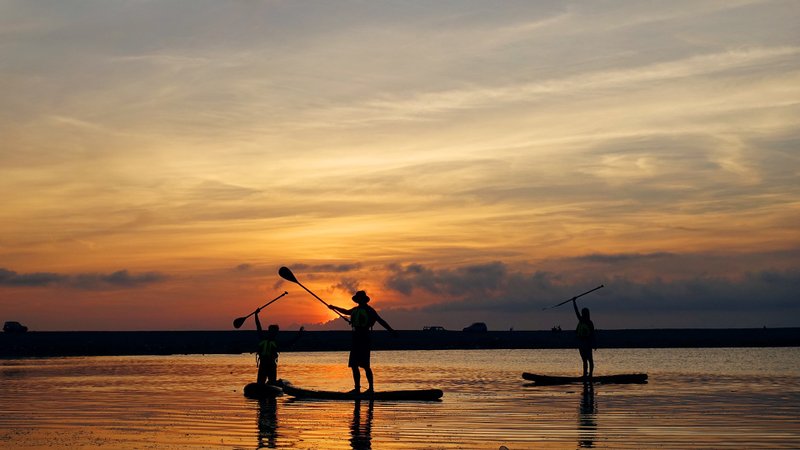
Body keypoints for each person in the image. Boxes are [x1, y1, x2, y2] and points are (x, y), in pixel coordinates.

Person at [328, 290, 395, 393]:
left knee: (365, 365)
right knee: (354, 365)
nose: (359, 301)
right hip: (356, 338)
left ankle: (371, 389)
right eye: (358, 299)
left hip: (364, 338)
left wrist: (391, 330)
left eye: (360, 299)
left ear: (364, 300)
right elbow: (345, 311)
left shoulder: (370, 310)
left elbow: (380, 321)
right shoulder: (355, 309)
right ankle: (357, 388)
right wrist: (334, 307)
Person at [254, 308, 303, 385]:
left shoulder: (276, 343)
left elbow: (290, 343)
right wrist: (256, 315)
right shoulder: (262, 338)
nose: (274, 333)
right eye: (272, 331)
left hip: (271, 366)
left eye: (275, 332)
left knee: (272, 383)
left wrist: (299, 334)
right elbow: (258, 326)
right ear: (269, 331)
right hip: (263, 366)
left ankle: (271, 386)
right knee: (260, 383)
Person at [572, 297, 596, 378]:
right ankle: (585, 374)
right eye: (582, 313)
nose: (582, 314)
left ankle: (590, 375)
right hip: (582, 344)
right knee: (585, 360)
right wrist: (574, 302)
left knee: (590, 360)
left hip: (587, 343)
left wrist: (594, 344)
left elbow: (592, 334)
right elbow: (576, 312)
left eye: (584, 313)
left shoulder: (589, 322)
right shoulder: (581, 320)